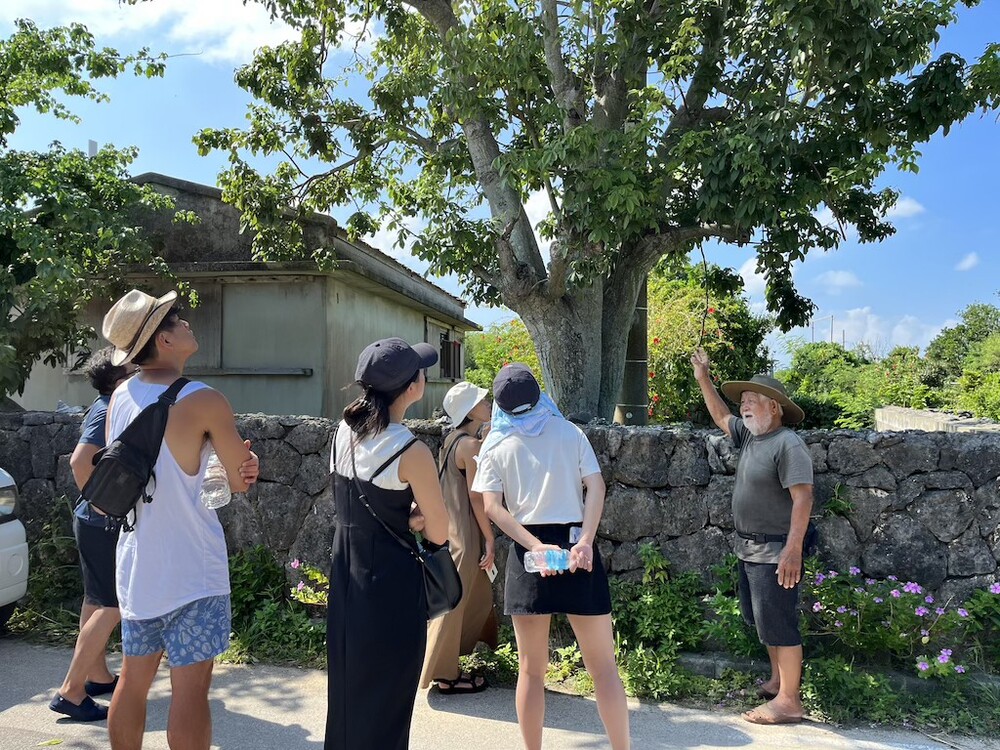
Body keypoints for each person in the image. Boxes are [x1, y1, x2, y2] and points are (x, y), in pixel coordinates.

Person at [100, 289, 259, 750]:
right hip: (192, 567)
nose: (187, 322)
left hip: (137, 563)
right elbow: (239, 481)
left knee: (133, 681)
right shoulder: (204, 399)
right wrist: (246, 463)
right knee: (190, 691)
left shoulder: (121, 395)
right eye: (177, 318)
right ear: (164, 340)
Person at [472, 364, 630, 750]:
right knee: (604, 669)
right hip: (577, 547)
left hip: (529, 552)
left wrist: (534, 545)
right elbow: (596, 486)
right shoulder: (570, 432)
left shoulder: (495, 444)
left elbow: (492, 507)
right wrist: (586, 540)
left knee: (531, 671)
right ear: (538, 394)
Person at [326, 337, 450, 750]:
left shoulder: (342, 431)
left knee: (348, 694)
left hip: (346, 573)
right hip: (391, 582)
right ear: (412, 387)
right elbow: (439, 531)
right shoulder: (410, 449)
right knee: (389, 700)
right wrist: (413, 518)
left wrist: (404, 514)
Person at [691, 348, 814, 726]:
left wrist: (792, 550)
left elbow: (803, 497)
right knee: (764, 620)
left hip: (776, 549)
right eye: (742, 401)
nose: (743, 406)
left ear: (774, 407)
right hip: (751, 548)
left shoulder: (787, 444)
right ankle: (778, 681)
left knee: (779, 623)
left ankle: (789, 701)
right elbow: (720, 416)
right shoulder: (751, 436)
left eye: (751, 400)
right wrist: (703, 378)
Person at [48, 349, 136, 722]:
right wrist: (103, 505)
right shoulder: (108, 409)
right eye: (133, 370)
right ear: (118, 381)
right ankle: (70, 691)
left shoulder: (107, 405)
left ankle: (96, 676)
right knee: (113, 605)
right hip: (102, 522)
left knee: (96, 599)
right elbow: (79, 460)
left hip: (93, 521)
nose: (139, 374)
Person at [419, 381, 497, 694]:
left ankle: (449, 664)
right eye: (482, 400)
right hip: (466, 533)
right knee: (456, 602)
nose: (488, 403)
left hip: (452, 530)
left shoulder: (453, 439)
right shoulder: (469, 446)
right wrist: (490, 538)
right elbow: (477, 498)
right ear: (470, 411)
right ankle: (444, 674)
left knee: (466, 596)